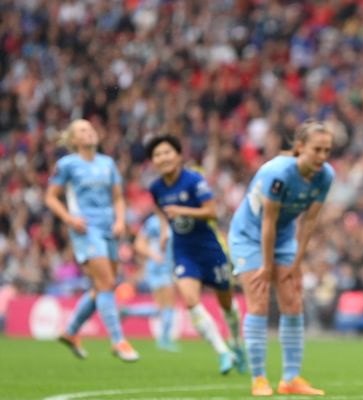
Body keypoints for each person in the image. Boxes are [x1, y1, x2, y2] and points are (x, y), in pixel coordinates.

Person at [228, 120, 335, 397]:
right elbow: (267, 223)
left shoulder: (326, 176)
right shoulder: (277, 173)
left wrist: (297, 264)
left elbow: (309, 222)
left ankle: (290, 379)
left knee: (293, 299)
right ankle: (259, 378)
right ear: (299, 148)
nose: (323, 157)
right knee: (259, 300)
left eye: (327, 150)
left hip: (284, 237)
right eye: (317, 150)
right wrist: (265, 266)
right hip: (249, 237)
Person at [147, 134, 244, 374]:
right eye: (157, 155)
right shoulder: (156, 187)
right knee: (190, 300)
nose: (163, 158)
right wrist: (162, 231)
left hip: (210, 249)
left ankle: (236, 342)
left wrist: (181, 210)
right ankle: (223, 352)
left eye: (167, 152)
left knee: (227, 303)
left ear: (178, 156)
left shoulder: (194, 181)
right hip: (184, 251)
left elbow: (211, 212)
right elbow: (161, 211)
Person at [44, 119, 139, 362]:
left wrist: (120, 220)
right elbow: (51, 198)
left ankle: (71, 330)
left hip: (110, 228)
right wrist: (69, 219)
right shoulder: (67, 164)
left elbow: (118, 197)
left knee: (102, 287)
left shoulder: (107, 163)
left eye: (91, 129)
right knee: (107, 283)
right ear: (73, 140)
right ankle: (118, 340)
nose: (89, 133)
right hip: (86, 229)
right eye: (82, 130)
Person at [119, 213, 179, 351]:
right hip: (160, 267)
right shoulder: (154, 222)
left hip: (163, 266)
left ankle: (128, 311)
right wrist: (154, 255)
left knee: (160, 308)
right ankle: (164, 340)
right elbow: (139, 244)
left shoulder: (170, 220)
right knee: (168, 305)